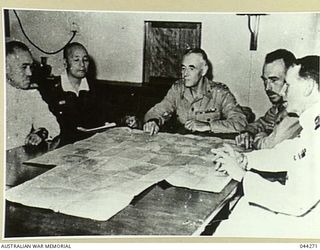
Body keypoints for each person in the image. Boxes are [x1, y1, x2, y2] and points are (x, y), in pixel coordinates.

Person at [212, 55, 320, 238]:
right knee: (237, 211)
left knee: (229, 227)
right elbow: (290, 153)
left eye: (289, 85)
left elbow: (297, 200)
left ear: (308, 86)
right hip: (302, 214)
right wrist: (245, 159)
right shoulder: (312, 123)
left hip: (308, 226)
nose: (284, 92)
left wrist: (242, 176)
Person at [39, 42, 138, 146]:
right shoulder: (50, 90)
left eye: (85, 60)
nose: (82, 65)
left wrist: (126, 119)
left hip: (93, 144)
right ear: (65, 63)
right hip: (61, 146)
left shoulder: (96, 88)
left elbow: (111, 114)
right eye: (76, 60)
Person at [143, 48, 247, 135]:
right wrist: (153, 121)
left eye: (191, 69)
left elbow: (240, 122)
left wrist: (208, 126)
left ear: (204, 70)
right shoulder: (178, 89)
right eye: (183, 68)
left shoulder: (219, 93)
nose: (185, 74)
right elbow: (158, 110)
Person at [235, 49, 302, 150]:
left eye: (274, 80)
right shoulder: (279, 106)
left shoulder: (297, 108)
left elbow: (270, 145)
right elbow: (261, 123)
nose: (267, 88)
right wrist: (248, 133)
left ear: (290, 77)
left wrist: (259, 136)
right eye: (265, 81)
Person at [5, 41, 60, 150]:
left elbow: (51, 124)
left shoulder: (31, 94)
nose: (30, 73)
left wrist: (41, 133)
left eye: (31, 67)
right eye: (24, 67)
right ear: (5, 67)